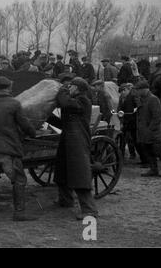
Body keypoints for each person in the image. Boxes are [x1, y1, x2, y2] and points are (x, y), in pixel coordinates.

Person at [0, 76, 38, 221]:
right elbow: (24, 124)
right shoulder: (14, 103)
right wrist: (33, 133)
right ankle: (19, 213)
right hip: (7, 148)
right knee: (18, 179)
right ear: (9, 88)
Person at [54, 77, 98, 220]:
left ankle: (89, 210)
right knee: (62, 169)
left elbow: (64, 102)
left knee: (79, 173)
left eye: (71, 86)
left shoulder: (83, 100)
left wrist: (61, 90)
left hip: (78, 140)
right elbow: (63, 123)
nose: (69, 88)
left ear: (78, 88)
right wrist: (46, 117)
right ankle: (66, 200)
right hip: (68, 138)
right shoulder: (74, 102)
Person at [134, 81, 161, 177]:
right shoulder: (141, 100)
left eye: (138, 90)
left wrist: (150, 129)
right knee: (148, 152)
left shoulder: (153, 99)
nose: (137, 92)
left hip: (154, 133)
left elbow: (159, 116)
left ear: (144, 89)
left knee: (159, 152)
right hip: (144, 132)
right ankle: (153, 169)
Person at [117, 83, 140, 160]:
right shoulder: (122, 98)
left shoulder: (133, 97)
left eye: (123, 91)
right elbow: (119, 109)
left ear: (127, 90)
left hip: (133, 122)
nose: (122, 93)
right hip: (125, 121)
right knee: (123, 139)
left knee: (134, 139)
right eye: (121, 92)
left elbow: (138, 108)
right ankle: (121, 156)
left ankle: (140, 156)